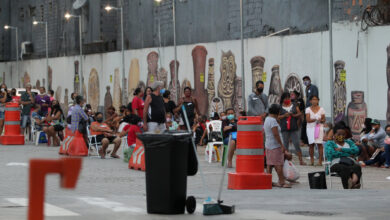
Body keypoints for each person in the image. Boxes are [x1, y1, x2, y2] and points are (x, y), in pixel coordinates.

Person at [264, 104, 291, 188]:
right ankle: (281, 182)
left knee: (270, 164)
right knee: (278, 164)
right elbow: (276, 134)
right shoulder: (273, 121)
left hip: (268, 145)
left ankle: (267, 181)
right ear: (277, 112)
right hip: (275, 146)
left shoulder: (267, 119)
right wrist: (282, 145)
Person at [278, 92, 305, 165]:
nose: (287, 99)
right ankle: (285, 161)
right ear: (283, 99)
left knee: (296, 144)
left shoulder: (294, 105)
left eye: (288, 98)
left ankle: (301, 160)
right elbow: (278, 117)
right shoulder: (280, 107)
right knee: (285, 144)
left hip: (293, 127)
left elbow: (299, 113)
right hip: (284, 128)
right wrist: (284, 115)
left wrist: (293, 115)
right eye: (286, 98)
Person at [305, 95, 325, 166]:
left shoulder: (321, 109)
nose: (314, 101)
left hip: (319, 128)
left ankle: (320, 161)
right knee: (311, 144)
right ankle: (312, 161)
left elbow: (323, 119)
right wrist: (315, 119)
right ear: (310, 101)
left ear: (318, 101)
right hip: (310, 128)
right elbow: (308, 120)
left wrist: (320, 120)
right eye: (313, 99)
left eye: (316, 99)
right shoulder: (308, 109)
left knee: (320, 144)